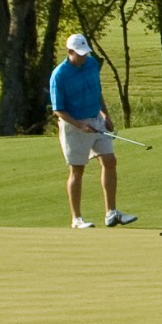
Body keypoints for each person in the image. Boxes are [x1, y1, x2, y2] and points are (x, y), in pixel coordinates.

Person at [49, 32, 136, 229]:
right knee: (78, 170)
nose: (83, 57)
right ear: (69, 52)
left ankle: (111, 213)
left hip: (96, 120)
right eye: (79, 54)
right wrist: (80, 125)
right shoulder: (59, 75)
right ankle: (76, 218)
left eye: (85, 53)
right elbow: (58, 109)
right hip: (74, 126)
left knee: (109, 161)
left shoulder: (91, 64)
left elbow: (97, 92)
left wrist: (105, 115)